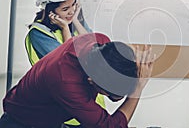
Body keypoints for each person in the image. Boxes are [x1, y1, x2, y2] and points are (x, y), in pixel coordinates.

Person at [0, 32, 153, 128]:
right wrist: (138, 90)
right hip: (22, 121)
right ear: (91, 81)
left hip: (48, 115)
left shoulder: (99, 42)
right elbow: (110, 126)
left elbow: (114, 96)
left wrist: (131, 62)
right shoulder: (67, 82)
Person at [24, 0, 103, 127]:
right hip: (65, 112)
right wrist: (65, 28)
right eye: (65, 9)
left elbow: (96, 47)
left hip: (90, 106)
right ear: (49, 11)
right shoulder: (39, 34)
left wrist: (74, 20)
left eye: (74, 5)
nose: (71, 11)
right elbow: (68, 64)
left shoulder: (73, 20)